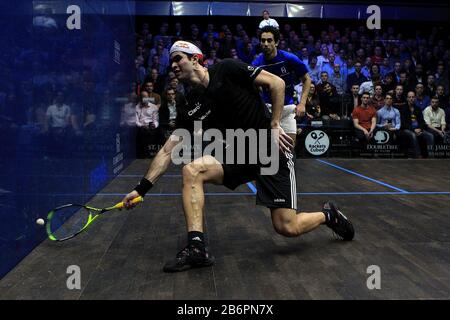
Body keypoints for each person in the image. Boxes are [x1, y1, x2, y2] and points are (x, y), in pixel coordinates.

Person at [122, 41, 354, 273]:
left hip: (269, 151)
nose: (172, 64)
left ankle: (328, 215)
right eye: (170, 60)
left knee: (287, 227)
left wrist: (274, 124)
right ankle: (196, 248)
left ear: (195, 59)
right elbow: (166, 151)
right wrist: (141, 189)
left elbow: (277, 82)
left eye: (178, 58)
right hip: (238, 154)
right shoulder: (189, 105)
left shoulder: (228, 68)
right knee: (191, 170)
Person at [252, 26, 310, 144]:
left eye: (269, 40)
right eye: (263, 40)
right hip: (268, 111)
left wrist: (302, 103)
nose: (266, 44)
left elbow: (306, 79)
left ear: (276, 42)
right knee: (267, 152)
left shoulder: (288, 58)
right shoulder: (256, 64)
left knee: (288, 150)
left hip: (287, 109)